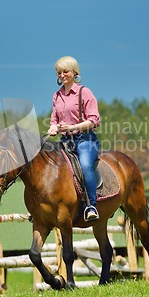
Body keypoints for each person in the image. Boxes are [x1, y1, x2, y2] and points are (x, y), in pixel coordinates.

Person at [48, 56, 101, 221]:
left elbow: (94, 120)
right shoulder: (56, 96)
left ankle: (91, 206)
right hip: (65, 141)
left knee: (85, 166)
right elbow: (54, 120)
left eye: (65, 71)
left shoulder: (84, 92)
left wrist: (72, 127)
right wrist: (53, 128)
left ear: (75, 72)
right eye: (59, 72)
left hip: (85, 140)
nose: (62, 75)